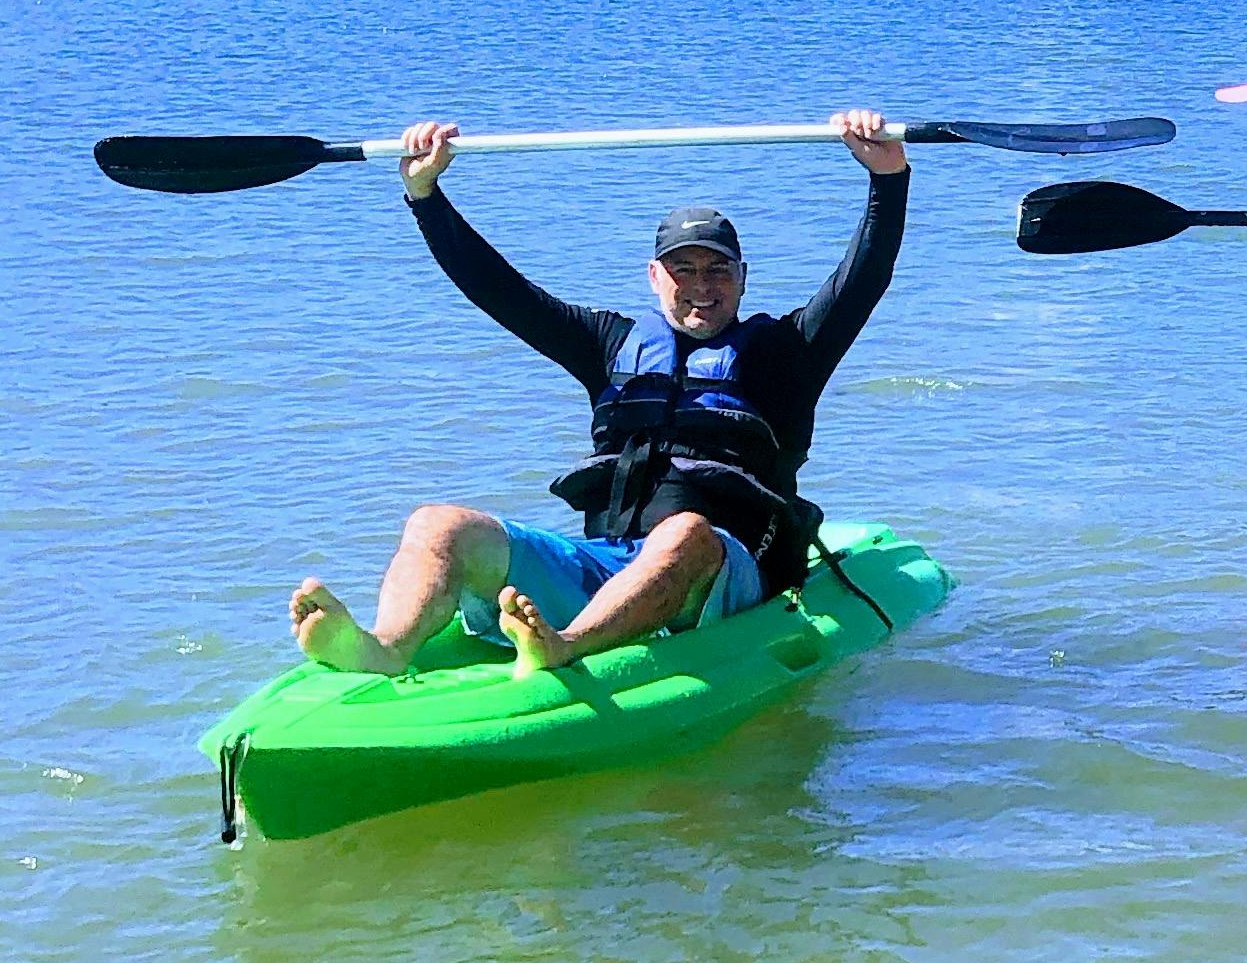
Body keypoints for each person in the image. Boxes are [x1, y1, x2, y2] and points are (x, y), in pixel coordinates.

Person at [286, 110, 910, 677]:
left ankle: (565, 646)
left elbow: (864, 278)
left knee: (685, 532)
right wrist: (425, 195)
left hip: (724, 572)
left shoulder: (787, 352)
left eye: (718, 269)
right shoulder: (610, 344)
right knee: (438, 524)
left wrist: (886, 178)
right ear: (653, 276)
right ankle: (384, 647)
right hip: (606, 558)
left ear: (742, 278)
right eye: (682, 269)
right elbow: (499, 292)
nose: (701, 285)